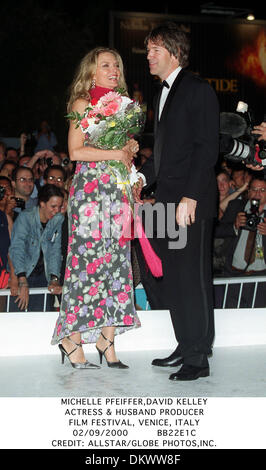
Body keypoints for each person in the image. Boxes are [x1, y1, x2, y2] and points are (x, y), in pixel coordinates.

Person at [134, 23, 219, 381]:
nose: (148, 56)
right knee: (176, 279)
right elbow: (166, 155)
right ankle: (185, 345)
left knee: (193, 277)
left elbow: (206, 149)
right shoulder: (161, 94)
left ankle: (198, 357)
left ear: (173, 51)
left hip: (190, 202)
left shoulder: (198, 90)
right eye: (148, 50)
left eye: (154, 49)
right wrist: (139, 178)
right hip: (167, 203)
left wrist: (191, 195)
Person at [51, 47, 141, 370]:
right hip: (90, 194)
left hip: (116, 192)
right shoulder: (82, 103)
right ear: (92, 72)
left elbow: (123, 150)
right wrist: (116, 154)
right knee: (86, 265)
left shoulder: (123, 108)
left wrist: (130, 150)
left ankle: (107, 341)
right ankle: (71, 339)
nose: (113, 69)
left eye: (116, 65)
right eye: (106, 65)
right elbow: (75, 152)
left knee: (117, 266)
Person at [8, 184, 64, 312]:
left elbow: (55, 250)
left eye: (59, 207)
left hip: (43, 275)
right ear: (42, 204)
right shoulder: (25, 218)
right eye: (53, 206)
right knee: (16, 316)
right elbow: (17, 249)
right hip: (23, 272)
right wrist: (22, 281)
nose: (57, 211)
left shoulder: (58, 219)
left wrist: (54, 279)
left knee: (40, 316)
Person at [215, 176, 266, 307]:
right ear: (248, 192)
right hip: (234, 275)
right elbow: (216, 231)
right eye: (254, 189)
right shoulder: (236, 207)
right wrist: (234, 226)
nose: (257, 194)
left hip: (261, 279)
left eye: (262, 190)